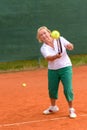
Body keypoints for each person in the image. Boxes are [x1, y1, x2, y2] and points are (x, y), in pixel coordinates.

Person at [36, 26, 77, 118]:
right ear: (40, 38)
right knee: (52, 89)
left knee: (68, 89)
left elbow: (70, 45)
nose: (44, 35)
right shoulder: (43, 48)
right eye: (41, 35)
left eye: (44, 33)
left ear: (49, 32)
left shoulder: (60, 39)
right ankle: (53, 107)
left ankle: (71, 109)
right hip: (52, 70)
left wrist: (70, 46)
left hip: (65, 67)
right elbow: (48, 58)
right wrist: (56, 56)